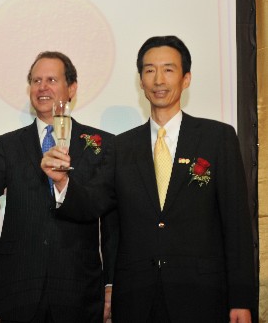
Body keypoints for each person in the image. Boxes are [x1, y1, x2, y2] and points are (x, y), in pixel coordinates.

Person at [43, 36, 256, 322]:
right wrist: (61, 183)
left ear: (186, 78)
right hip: (137, 298)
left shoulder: (217, 138)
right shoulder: (121, 147)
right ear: (140, 81)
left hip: (202, 294)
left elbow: (237, 226)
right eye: (149, 70)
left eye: (168, 69)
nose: (158, 79)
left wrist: (241, 299)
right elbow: (92, 201)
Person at [0, 51, 118, 322]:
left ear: (71, 88)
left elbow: (105, 214)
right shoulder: (9, 144)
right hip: (19, 291)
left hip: (78, 290)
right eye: (35, 81)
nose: (42, 87)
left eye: (51, 80)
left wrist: (110, 284)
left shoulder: (99, 144)